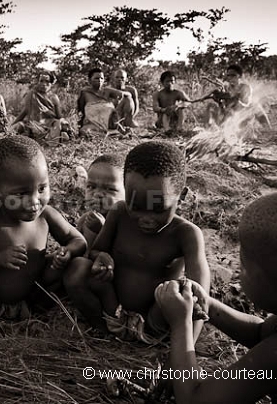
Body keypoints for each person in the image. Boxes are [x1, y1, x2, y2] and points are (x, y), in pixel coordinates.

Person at [155, 189, 277, 404]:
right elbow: (260, 331)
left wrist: (180, 324)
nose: (237, 270)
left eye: (244, 266)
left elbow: (194, 400)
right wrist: (208, 306)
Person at [64, 141, 210, 342]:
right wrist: (103, 259)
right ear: (125, 189)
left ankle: (148, 339)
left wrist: (188, 348)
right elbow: (97, 251)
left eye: (158, 209)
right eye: (136, 206)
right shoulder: (118, 213)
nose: (146, 218)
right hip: (111, 308)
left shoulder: (187, 234)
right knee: (78, 268)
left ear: (181, 196)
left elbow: (199, 295)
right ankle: (103, 333)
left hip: (155, 321)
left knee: (181, 289)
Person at [0, 135, 87, 328]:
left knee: (65, 266)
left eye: (42, 188)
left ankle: (40, 318)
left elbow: (78, 240)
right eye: (21, 193)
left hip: (34, 299)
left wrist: (67, 252)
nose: (34, 201)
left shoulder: (46, 214)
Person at [76, 154, 125, 249]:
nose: (97, 194)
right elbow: (76, 245)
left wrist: (102, 230)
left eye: (110, 189)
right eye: (91, 187)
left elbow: (124, 252)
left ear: (128, 192)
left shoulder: (126, 223)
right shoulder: (84, 220)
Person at [199, 65, 272, 130]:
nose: (230, 78)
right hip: (228, 117)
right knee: (211, 106)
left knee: (257, 107)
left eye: (233, 75)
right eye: (228, 75)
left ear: (239, 76)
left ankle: (269, 130)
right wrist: (219, 101)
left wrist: (233, 99)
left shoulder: (245, 87)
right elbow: (223, 107)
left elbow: (247, 104)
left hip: (243, 116)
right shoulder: (226, 88)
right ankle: (207, 130)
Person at [11, 72, 72, 143]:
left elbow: (59, 116)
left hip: (48, 125)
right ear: (38, 82)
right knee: (18, 126)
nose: (44, 84)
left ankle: (53, 138)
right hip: (33, 124)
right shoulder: (31, 94)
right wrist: (13, 124)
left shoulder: (54, 97)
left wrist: (64, 122)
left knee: (62, 126)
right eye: (41, 81)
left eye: (47, 81)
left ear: (51, 84)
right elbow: (25, 111)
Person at [76, 68, 132, 136]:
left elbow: (128, 95)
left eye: (101, 78)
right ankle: (109, 134)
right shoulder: (85, 93)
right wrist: (80, 125)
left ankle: (123, 128)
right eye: (96, 78)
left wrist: (120, 96)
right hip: (94, 124)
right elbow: (80, 111)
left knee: (128, 99)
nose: (99, 80)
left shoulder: (107, 91)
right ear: (89, 80)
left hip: (111, 122)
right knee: (84, 131)